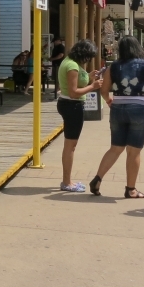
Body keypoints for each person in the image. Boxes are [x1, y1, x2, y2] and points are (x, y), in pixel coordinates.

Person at [88, 35, 144, 198]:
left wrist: (109, 102)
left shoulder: (113, 67)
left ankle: (98, 178)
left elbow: (104, 90)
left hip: (118, 108)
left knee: (115, 148)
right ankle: (131, 189)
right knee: (134, 152)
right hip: (140, 108)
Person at [56, 40, 104, 192]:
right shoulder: (72, 66)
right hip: (72, 105)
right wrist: (93, 86)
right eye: (88, 57)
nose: (88, 60)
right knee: (70, 146)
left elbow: (76, 84)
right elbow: (74, 92)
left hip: (68, 104)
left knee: (70, 145)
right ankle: (66, 182)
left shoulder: (69, 62)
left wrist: (89, 77)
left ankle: (67, 180)